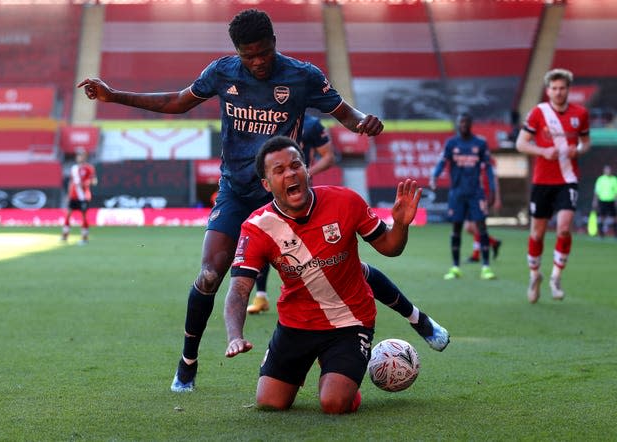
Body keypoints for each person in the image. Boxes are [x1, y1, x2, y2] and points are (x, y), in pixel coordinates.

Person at [78, 9, 386, 393]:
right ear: (237, 52)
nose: (256, 62)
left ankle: (403, 325)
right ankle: (187, 361)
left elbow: (345, 113)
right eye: (247, 55)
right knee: (210, 275)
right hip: (237, 192)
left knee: (331, 266)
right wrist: (113, 96)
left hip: (283, 198)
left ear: (274, 43)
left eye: (262, 52)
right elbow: (177, 101)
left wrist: (362, 123)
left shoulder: (302, 75)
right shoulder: (223, 72)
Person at [224, 136, 422, 414]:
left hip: (350, 320)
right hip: (296, 323)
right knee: (270, 403)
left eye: (296, 165)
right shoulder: (256, 227)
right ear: (267, 184)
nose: (290, 173)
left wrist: (400, 225)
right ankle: (319, 363)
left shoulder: (345, 201)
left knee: (334, 403)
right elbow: (239, 289)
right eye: (279, 170)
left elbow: (390, 248)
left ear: (307, 170)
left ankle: (344, 376)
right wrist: (235, 335)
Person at [515, 68, 591, 303]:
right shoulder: (539, 113)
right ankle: (534, 275)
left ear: (568, 90)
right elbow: (521, 143)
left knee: (564, 228)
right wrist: (542, 150)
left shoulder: (581, 113)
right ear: (548, 91)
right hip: (542, 181)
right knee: (537, 233)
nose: (558, 92)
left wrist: (576, 150)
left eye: (562, 88)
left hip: (568, 179)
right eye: (554, 88)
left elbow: (586, 143)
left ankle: (556, 277)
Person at [248, 114, 335, 313]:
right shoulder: (268, 118)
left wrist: (304, 173)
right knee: (265, 239)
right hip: (273, 191)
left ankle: (319, 292)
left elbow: (329, 156)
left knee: (305, 241)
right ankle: (261, 295)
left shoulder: (312, 124)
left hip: (299, 194)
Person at [430, 112, 497, 280]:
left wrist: (493, 190)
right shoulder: (451, 143)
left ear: (470, 124)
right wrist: (434, 176)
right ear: (458, 124)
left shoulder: (480, 143)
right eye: (461, 122)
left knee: (481, 228)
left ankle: (486, 267)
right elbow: (442, 162)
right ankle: (455, 267)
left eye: (466, 122)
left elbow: (488, 168)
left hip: (476, 193)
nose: (463, 125)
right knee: (456, 229)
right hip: (457, 193)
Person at [466, 157, 502, 263]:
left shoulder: (489, 160)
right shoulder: (469, 158)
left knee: (477, 226)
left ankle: (476, 255)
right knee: (470, 227)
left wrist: (497, 198)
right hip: (471, 196)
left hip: (483, 197)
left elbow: (494, 180)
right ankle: (494, 242)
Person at [61, 148, 97, 245]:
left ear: (85, 156)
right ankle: (65, 235)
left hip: (83, 196)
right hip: (73, 195)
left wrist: (86, 183)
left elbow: (94, 181)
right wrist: (68, 195)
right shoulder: (74, 168)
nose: (79, 157)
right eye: (78, 155)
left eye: (81, 155)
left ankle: (84, 238)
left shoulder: (89, 168)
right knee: (68, 214)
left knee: (84, 217)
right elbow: (71, 182)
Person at [591, 164, 617, 238]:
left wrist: (616, 201)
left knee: (614, 218)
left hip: (611, 201)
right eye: (607, 169)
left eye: (609, 169)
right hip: (602, 201)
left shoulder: (614, 179)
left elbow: (616, 192)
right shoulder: (600, 179)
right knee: (601, 217)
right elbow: (596, 191)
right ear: (604, 171)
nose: (608, 171)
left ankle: (615, 234)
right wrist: (595, 201)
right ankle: (601, 234)